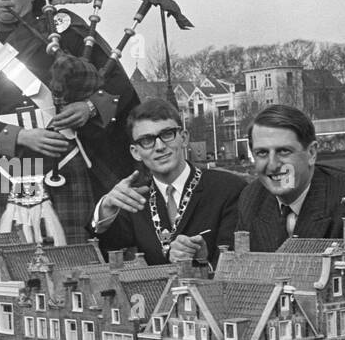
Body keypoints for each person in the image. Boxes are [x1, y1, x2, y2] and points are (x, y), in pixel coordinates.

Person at [0, 0, 138, 244]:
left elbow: (119, 88)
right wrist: (21, 137)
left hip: (66, 160)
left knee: (76, 256)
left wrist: (89, 107)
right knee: (9, 261)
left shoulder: (65, 32)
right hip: (10, 167)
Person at [90, 98, 243, 268]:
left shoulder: (228, 189)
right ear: (136, 152)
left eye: (167, 134)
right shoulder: (135, 200)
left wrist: (201, 257)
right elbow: (105, 255)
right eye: (147, 140)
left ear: (184, 138)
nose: (160, 146)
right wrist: (105, 210)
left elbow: (237, 261)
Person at [236, 104, 345, 252]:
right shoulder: (251, 198)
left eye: (283, 151)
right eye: (262, 153)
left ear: (311, 153)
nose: (273, 165)